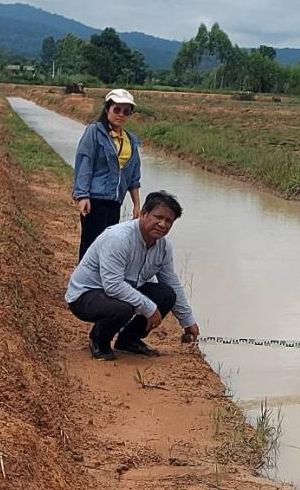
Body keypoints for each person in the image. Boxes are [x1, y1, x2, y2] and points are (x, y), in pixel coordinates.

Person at [65, 191, 201, 360]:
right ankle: (99, 340)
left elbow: (171, 282)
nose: (162, 224)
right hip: (86, 296)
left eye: (168, 221)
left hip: (119, 291)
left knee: (166, 294)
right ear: (143, 214)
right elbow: (113, 286)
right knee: (123, 308)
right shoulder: (118, 238)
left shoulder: (163, 247)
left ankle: (129, 341)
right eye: (158, 217)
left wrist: (188, 321)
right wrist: (149, 307)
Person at [73, 88, 142, 260]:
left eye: (126, 111)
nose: (121, 114)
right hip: (95, 200)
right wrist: (82, 196)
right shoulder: (94, 132)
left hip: (114, 202)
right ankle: (83, 285)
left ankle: (100, 283)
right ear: (107, 109)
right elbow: (84, 163)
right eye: (116, 109)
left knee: (107, 246)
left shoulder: (130, 141)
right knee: (90, 244)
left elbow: (133, 176)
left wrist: (137, 204)